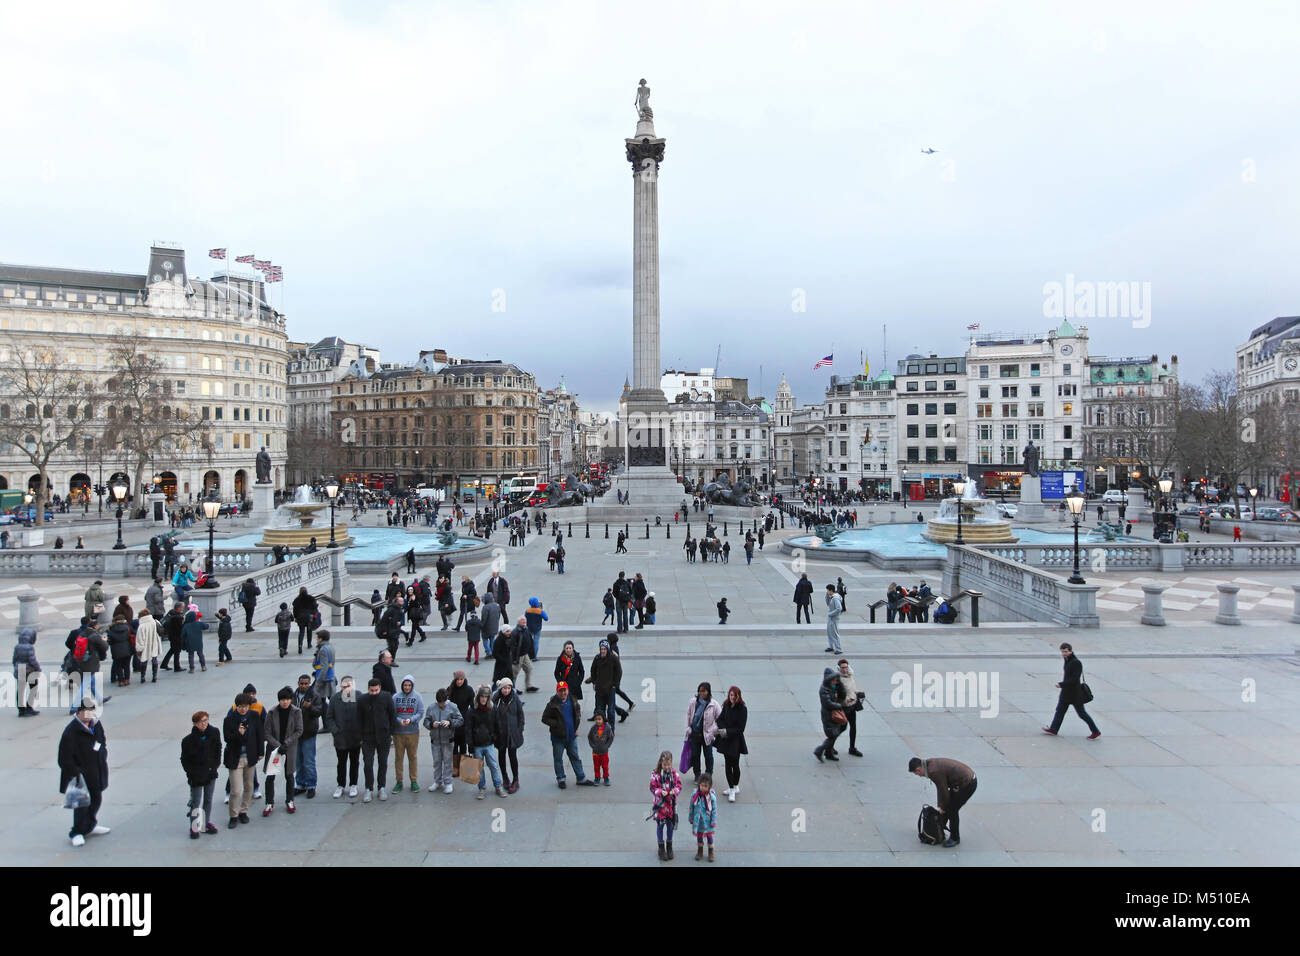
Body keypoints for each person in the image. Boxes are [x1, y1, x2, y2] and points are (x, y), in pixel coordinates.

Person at [58, 697, 111, 847]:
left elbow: (102, 742)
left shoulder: (96, 725)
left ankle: (90, 825)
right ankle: (77, 832)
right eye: (86, 712)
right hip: (81, 775)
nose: (89, 715)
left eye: (91, 711)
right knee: (81, 805)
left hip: (96, 770)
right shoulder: (71, 731)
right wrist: (76, 773)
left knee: (96, 799)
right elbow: (64, 759)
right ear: (79, 712)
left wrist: (102, 756)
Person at [909, 756, 977, 847]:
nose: (920, 776)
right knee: (947, 806)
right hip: (959, 782)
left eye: (917, 774)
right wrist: (942, 806)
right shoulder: (928, 763)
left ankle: (955, 838)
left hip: (967, 784)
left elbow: (943, 790)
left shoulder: (933, 771)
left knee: (952, 810)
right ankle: (939, 830)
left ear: (918, 769)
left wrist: (942, 806)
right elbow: (941, 788)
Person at [541, 681, 596, 789]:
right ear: (557, 692)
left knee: (575, 756)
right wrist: (556, 724)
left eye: (564, 690)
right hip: (558, 737)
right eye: (560, 691)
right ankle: (561, 778)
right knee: (558, 758)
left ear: (568, 690)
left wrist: (575, 728)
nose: (563, 693)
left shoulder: (573, 700)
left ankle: (581, 777)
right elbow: (544, 718)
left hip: (571, 736)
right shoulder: (552, 704)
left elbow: (577, 713)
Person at [1042, 642, 1101, 739]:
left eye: (1065, 652)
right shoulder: (1067, 660)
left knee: (1082, 714)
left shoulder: (1076, 662)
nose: (1064, 654)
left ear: (1070, 651)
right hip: (1066, 693)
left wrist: (1062, 684)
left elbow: (1074, 679)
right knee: (1060, 711)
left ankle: (1095, 731)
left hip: (1075, 694)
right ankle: (1054, 729)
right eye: (1062, 652)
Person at [223, 692, 264, 829]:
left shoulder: (253, 716)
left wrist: (260, 752)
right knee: (235, 790)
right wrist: (239, 733)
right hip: (236, 758)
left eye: (246, 706)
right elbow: (228, 739)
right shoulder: (229, 719)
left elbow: (259, 734)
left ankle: (243, 811)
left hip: (250, 757)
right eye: (240, 706)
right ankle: (233, 815)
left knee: (249, 787)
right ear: (236, 706)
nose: (243, 709)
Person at [181, 710, 222, 838]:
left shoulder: (214, 732)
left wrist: (215, 766)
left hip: (210, 772)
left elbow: (218, 750)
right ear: (195, 724)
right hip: (196, 776)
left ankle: (205, 822)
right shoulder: (187, 740)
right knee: (196, 801)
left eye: (205, 720)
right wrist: (191, 773)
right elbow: (184, 759)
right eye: (201, 722)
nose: (204, 724)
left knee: (208, 799)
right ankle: (194, 826)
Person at [262, 687, 302, 817]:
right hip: (274, 750)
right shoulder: (272, 712)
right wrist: (278, 745)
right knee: (270, 776)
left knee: (289, 775)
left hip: (289, 749)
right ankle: (269, 802)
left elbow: (299, 730)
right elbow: (267, 733)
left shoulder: (296, 712)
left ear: (291, 699)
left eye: (287, 699)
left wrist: (286, 743)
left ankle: (290, 800)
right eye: (282, 700)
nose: (285, 702)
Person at [357, 677, 397, 802]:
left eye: (376, 690)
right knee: (368, 763)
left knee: (383, 763)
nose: (374, 693)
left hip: (383, 736)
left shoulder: (386, 697)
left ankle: (381, 787)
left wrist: (391, 733)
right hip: (367, 737)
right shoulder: (362, 699)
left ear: (380, 688)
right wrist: (360, 737)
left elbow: (392, 715)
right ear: (368, 689)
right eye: (371, 690)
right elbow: (358, 719)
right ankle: (368, 788)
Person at [466, 684, 508, 799]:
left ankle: (498, 786)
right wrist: (470, 744)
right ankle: (481, 788)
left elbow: (497, 724)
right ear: (478, 697)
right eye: (482, 697)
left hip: (489, 743)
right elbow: (468, 728)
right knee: (479, 768)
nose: (484, 699)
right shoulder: (472, 710)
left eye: (486, 697)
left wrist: (497, 738)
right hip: (477, 744)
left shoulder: (492, 708)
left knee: (493, 766)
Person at [325, 676, 362, 799]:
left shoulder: (359, 696)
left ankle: (353, 784)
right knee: (341, 762)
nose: (346, 689)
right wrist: (336, 731)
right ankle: (340, 785)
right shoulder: (335, 699)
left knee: (354, 761)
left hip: (355, 737)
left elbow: (365, 715)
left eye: (348, 686)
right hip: (341, 738)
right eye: (343, 686)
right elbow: (329, 717)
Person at [289, 674, 324, 800]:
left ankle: (311, 785)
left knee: (309, 761)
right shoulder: (293, 696)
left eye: (306, 683)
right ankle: (300, 784)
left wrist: (310, 708)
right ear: (298, 683)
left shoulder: (314, 696)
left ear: (309, 684)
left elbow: (319, 712)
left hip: (309, 733)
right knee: (298, 761)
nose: (303, 685)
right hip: (296, 734)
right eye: (301, 683)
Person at [423, 687, 463, 794]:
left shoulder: (453, 707)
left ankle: (448, 783)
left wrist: (450, 723)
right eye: (439, 703)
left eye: (442, 703)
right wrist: (432, 724)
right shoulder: (431, 707)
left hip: (448, 740)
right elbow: (426, 721)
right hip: (435, 740)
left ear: (447, 699)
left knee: (447, 762)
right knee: (436, 762)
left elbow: (460, 720)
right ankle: (437, 781)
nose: (440, 705)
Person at [65, 618, 108, 711]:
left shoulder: (82, 633)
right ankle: (74, 706)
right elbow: (105, 647)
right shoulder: (94, 636)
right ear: (95, 626)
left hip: (81, 662)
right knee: (85, 685)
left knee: (92, 682)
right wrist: (104, 640)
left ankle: (99, 699)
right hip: (90, 663)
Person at [491, 676, 526, 793]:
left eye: (508, 688)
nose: (506, 690)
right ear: (500, 689)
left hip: (512, 733)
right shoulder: (495, 700)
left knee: (512, 756)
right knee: (501, 755)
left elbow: (520, 714)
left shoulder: (515, 698)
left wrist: (519, 729)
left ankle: (516, 779)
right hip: (500, 733)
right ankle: (505, 777)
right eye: (504, 688)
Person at [714, 686, 748, 802]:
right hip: (725, 739)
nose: (732, 697)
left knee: (735, 764)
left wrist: (727, 731)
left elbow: (740, 728)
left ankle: (735, 786)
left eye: (734, 695)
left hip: (735, 741)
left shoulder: (742, 709)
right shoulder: (727, 705)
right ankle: (731, 788)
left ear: (738, 696)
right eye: (730, 695)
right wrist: (723, 729)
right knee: (728, 764)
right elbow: (720, 719)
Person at [392, 674, 424, 793]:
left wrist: (411, 719)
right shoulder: (395, 697)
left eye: (409, 685)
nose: (407, 687)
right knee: (399, 758)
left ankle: (414, 781)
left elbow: (420, 712)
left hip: (412, 732)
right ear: (402, 685)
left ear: (412, 686)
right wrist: (400, 721)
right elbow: (392, 713)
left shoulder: (417, 697)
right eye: (405, 685)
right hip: (398, 732)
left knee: (413, 757)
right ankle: (399, 781)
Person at [649, 750, 682, 861]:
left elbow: (679, 786)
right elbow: (652, 787)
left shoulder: (674, 774)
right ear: (661, 763)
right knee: (660, 825)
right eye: (665, 765)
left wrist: (674, 791)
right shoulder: (655, 774)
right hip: (661, 806)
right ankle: (661, 847)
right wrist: (659, 791)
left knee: (670, 825)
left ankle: (669, 846)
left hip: (671, 805)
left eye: (669, 764)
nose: (667, 767)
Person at [684, 682, 721, 780]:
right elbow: (688, 715)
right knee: (695, 755)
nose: (701, 693)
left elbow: (720, 720)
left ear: (708, 691)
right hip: (695, 734)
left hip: (707, 735)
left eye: (704, 691)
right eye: (700, 691)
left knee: (708, 756)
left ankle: (708, 774)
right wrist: (688, 728)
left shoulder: (714, 704)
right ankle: (697, 774)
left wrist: (712, 732)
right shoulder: (693, 702)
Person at [814, 667, 848, 762]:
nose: (835, 682)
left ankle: (828, 753)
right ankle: (819, 750)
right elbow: (827, 703)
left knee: (839, 729)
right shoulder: (824, 690)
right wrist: (838, 706)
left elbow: (843, 695)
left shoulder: (833, 687)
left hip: (834, 713)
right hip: (828, 716)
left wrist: (840, 685)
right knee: (832, 735)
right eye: (834, 680)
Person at [586, 639, 623, 725]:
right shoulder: (597, 658)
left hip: (610, 688)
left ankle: (611, 729)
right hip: (599, 688)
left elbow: (619, 672)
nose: (603, 651)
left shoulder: (613, 658)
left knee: (610, 711)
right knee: (600, 711)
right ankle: (602, 728)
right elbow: (593, 670)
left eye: (604, 649)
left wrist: (615, 685)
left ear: (608, 649)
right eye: (601, 649)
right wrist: (594, 682)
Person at [446, 671, 475, 776]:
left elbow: (473, 705)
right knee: (453, 744)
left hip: (464, 719)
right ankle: (455, 767)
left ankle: (462, 767)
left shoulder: (469, 690)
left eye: (461, 679)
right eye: (457, 679)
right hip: (453, 720)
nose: (459, 682)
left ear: (464, 679)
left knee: (463, 744)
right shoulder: (450, 689)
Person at [837, 659, 865, 757]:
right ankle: (829, 744)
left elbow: (852, 689)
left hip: (852, 706)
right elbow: (837, 695)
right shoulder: (838, 680)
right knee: (842, 728)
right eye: (842, 668)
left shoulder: (850, 676)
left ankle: (852, 748)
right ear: (839, 669)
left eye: (846, 667)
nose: (845, 669)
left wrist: (858, 692)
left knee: (853, 727)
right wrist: (846, 700)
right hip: (844, 707)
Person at [689, 773, 719, 861]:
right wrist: (691, 818)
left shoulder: (711, 797)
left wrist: (713, 821)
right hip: (698, 821)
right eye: (701, 785)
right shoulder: (695, 795)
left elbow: (714, 810)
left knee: (709, 836)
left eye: (705, 786)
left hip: (708, 821)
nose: (703, 788)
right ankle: (700, 851)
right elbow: (691, 806)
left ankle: (711, 851)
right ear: (699, 784)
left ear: (709, 787)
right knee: (699, 836)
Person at [13, 626, 41, 716]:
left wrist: (16, 667)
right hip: (30, 670)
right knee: (33, 688)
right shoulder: (29, 647)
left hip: (20, 669)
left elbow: (14, 659)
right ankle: (29, 707)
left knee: (20, 689)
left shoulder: (17, 646)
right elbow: (32, 660)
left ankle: (21, 710)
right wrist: (38, 668)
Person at [587, 710, 614, 785]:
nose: (598, 721)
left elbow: (611, 737)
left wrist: (607, 746)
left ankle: (606, 778)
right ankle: (597, 778)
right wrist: (592, 745)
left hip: (604, 751)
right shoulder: (593, 728)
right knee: (596, 766)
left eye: (599, 719)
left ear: (603, 719)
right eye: (596, 719)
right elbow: (589, 737)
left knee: (605, 766)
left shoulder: (607, 728)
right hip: (595, 752)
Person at [106, 612, 133, 687]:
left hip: (116, 650)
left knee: (118, 666)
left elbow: (110, 641)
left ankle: (121, 681)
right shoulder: (127, 627)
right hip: (127, 648)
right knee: (126, 665)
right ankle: (127, 680)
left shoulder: (111, 629)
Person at [181, 608, 209, 673]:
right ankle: (203, 666)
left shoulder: (186, 626)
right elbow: (207, 626)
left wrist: (182, 645)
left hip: (189, 643)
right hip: (198, 642)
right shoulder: (199, 624)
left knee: (191, 655)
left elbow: (182, 636)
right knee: (200, 654)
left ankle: (192, 668)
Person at [292, 587, 318, 654]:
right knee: (309, 630)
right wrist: (314, 615)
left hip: (300, 617)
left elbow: (295, 610)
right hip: (309, 616)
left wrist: (295, 617)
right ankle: (309, 644)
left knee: (301, 631)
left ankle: (300, 645)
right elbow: (314, 607)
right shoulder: (311, 598)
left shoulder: (297, 600)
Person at [312, 629, 336, 699]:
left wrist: (319, 681)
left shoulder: (322, 650)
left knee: (318, 700)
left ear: (320, 639)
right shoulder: (331, 647)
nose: (316, 640)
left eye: (317, 638)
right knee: (331, 699)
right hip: (330, 677)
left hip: (324, 679)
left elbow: (324, 667)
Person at [824, 584, 843, 654]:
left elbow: (839, 608)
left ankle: (838, 648)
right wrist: (826, 595)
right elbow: (828, 603)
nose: (827, 591)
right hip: (831, 618)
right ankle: (831, 646)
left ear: (831, 590)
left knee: (834, 633)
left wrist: (831, 613)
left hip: (834, 618)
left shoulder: (835, 598)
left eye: (827, 590)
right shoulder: (831, 597)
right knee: (829, 632)